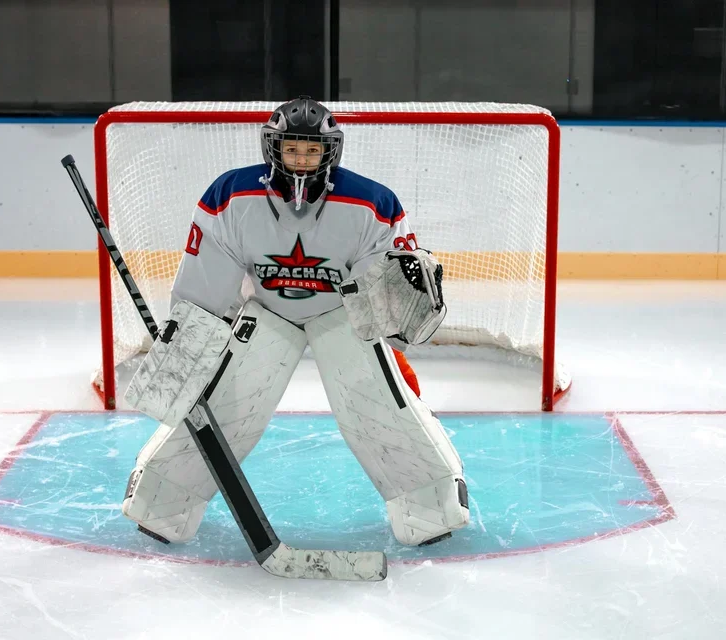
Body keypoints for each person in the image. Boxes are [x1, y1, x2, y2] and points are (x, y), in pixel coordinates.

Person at [120, 96, 469, 548]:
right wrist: (189, 342)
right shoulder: (230, 197)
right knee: (226, 404)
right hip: (268, 312)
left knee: (377, 405)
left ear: (331, 152)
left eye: (311, 150)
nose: (301, 159)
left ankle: (432, 507)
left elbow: (382, 297)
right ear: (272, 147)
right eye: (292, 149)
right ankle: (162, 501)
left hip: (340, 314)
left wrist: (402, 311)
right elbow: (207, 285)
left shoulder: (373, 203)